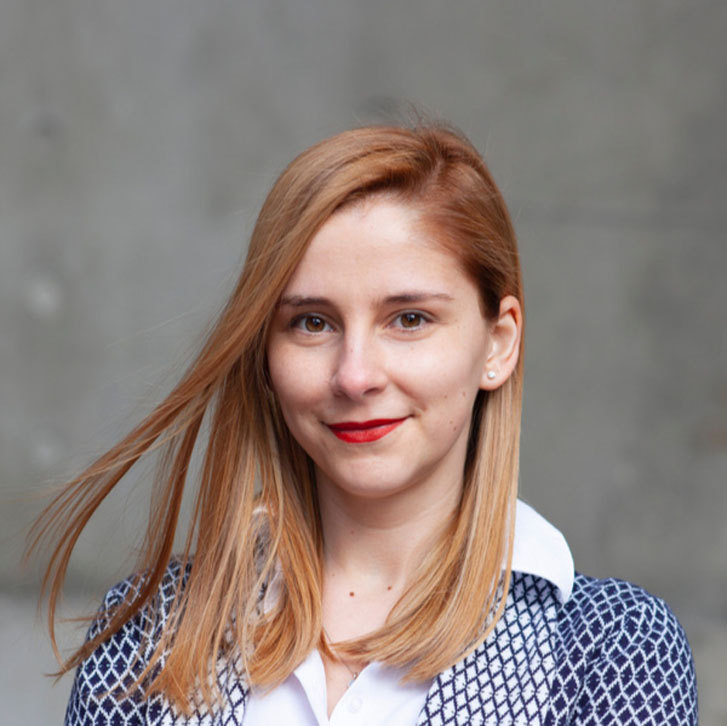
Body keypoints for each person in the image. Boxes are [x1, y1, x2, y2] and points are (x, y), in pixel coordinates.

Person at [31, 123, 697, 725]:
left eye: (408, 319)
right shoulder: (149, 638)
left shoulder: (608, 652)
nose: (354, 376)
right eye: (311, 322)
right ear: (264, 354)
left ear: (497, 343)